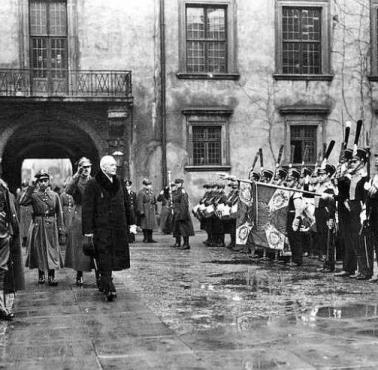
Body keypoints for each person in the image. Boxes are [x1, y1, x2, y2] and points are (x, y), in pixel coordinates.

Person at [82, 155, 131, 301]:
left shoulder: (119, 182)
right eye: (111, 165)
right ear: (103, 168)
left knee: (114, 255)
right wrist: (88, 232)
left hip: (118, 227)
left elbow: (126, 203)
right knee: (104, 254)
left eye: (115, 165)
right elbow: (88, 209)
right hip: (101, 228)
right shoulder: (93, 183)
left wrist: (132, 223)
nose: (115, 167)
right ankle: (108, 284)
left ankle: (104, 278)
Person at [20, 170, 64, 286]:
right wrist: (31, 186)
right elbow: (22, 202)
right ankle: (41, 275)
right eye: (40, 181)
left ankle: (51, 276)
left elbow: (59, 213)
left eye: (45, 180)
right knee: (39, 250)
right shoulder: (33, 195)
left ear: (49, 182)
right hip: (38, 225)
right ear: (37, 183)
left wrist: (61, 229)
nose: (43, 183)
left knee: (52, 250)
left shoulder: (54, 195)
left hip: (51, 225)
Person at [334, 148, 369, 279]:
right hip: (350, 209)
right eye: (351, 162)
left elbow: (364, 196)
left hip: (359, 210)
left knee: (358, 240)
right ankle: (349, 268)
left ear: (362, 162)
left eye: (354, 162)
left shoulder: (365, 178)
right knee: (348, 239)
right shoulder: (352, 176)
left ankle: (362, 269)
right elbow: (343, 190)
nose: (351, 164)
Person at [64, 157, 93, 286]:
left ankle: (99, 273)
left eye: (88, 167)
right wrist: (76, 175)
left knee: (96, 244)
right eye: (83, 167)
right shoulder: (76, 181)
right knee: (80, 246)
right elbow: (67, 191)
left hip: (92, 213)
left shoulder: (94, 181)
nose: (86, 170)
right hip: (79, 214)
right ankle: (79, 273)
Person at [0, 179, 24, 320]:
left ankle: (2, 306)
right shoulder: (4, 189)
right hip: (3, 232)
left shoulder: (4, 189)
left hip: (3, 233)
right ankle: (2, 307)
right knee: (2, 269)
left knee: (2, 269)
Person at [171, 179, 195, 250]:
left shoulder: (182, 192)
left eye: (178, 183)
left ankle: (186, 244)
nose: (177, 184)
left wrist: (183, 214)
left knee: (184, 229)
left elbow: (184, 204)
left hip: (182, 212)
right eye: (176, 183)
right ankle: (177, 242)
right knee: (177, 228)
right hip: (176, 212)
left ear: (181, 184)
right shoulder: (176, 191)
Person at [137, 179, 157, 243]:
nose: (149, 186)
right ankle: (145, 238)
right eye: (147, 185)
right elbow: (140, 202)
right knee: (145, 224)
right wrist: (141, 211)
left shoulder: (151, 192)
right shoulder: (141, 192)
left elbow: (154, 200)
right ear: (144, 185)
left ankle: (150, 238)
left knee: (151, 224)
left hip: (151, 210)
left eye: (149, 185)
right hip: (145, 210)